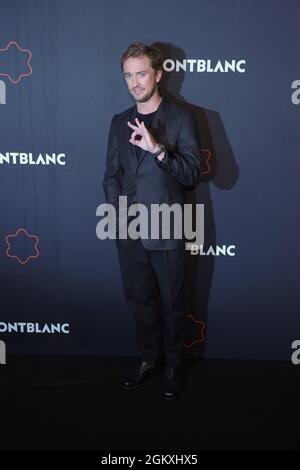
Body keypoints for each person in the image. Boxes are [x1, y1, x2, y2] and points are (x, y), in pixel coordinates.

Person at [103, 42, 202, 400]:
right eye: (128, 75)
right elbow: (111, 175)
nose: (134, 82)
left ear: (158, 74)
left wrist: (158, 150)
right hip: (129, 230)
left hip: (169, 225)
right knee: (140, 301)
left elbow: (192, 174)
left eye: (141, 73)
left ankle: (174, 364)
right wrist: (116, 214)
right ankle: (149, 359)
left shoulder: (181, 118)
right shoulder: (118, 123)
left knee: (173, 305)